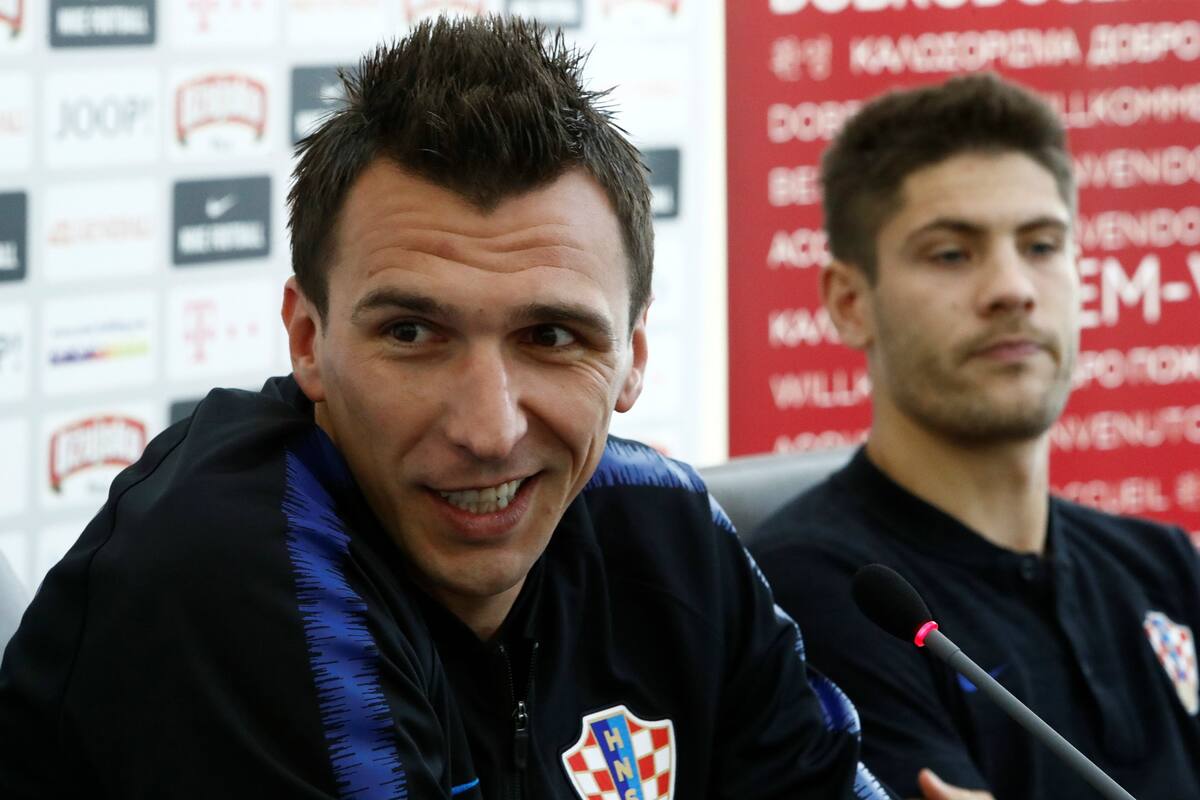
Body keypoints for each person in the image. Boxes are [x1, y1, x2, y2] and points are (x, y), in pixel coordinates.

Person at [0, 16, 892, 800]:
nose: (489, 428)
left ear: (632, 360)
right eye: (414, 334)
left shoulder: (665, 530)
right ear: (307, 341)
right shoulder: (230, 575)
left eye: (549, 337)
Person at [749, 73, 1200, 800]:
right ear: (849, 301)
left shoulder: (1164, 566)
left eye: (1043, 245)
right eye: (952, 253)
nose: (1013, 288)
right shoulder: (812, 596)